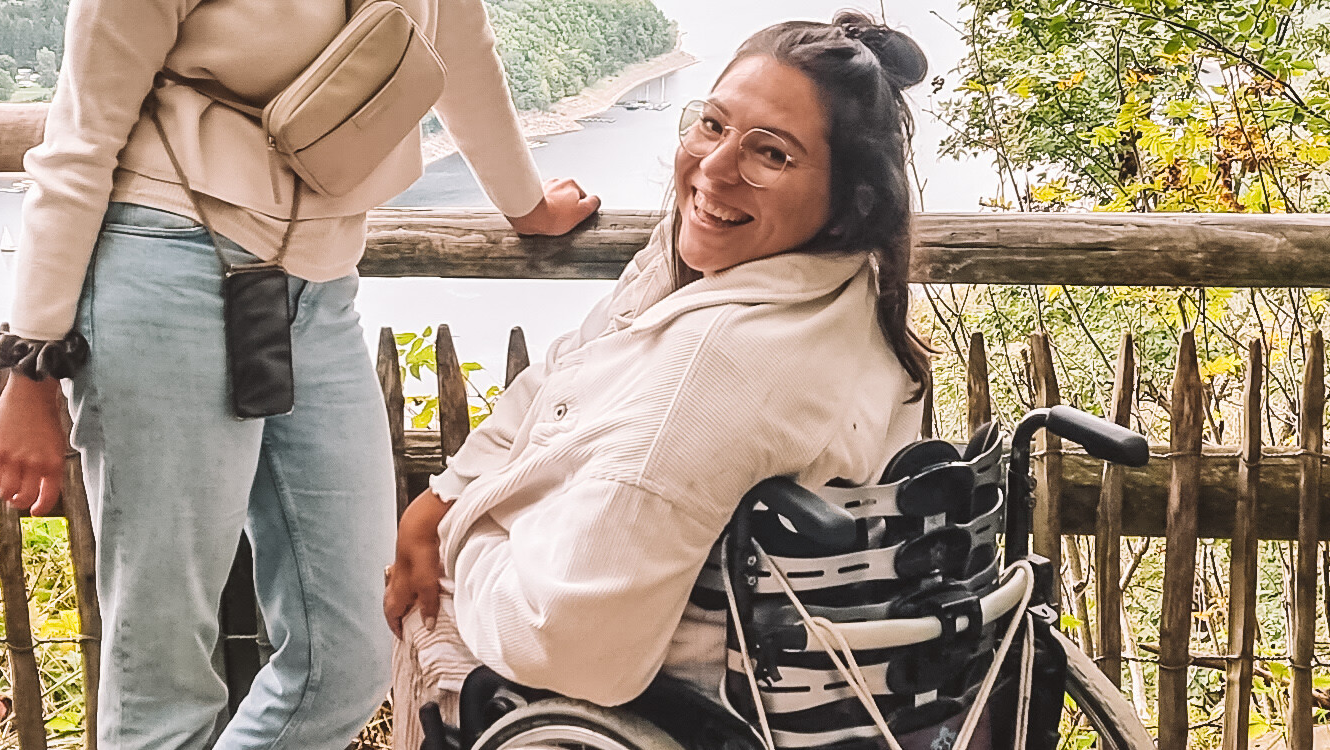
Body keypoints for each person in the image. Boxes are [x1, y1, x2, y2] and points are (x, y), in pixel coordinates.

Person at [0, 0, 602, 746]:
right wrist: (32, 368)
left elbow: (454, 49)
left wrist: (525, 205)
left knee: (351, 655)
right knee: (163, 676)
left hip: (320, 288)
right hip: (166, 265)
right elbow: (78, 143)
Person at [380, 11, 933, 743]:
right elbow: (570, 362)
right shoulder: (834, 284)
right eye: (711, 124)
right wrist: (444, 495)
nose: (713, 169)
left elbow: (569, 648)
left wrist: (469, 535)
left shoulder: (716, 366)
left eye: (771, 154)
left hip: (626, 712)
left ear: (848, 199)